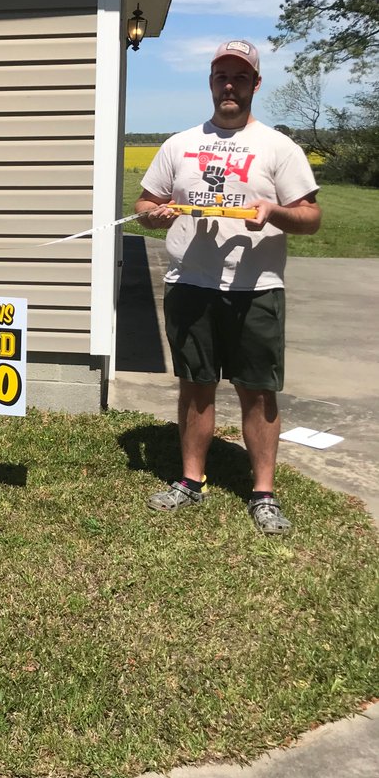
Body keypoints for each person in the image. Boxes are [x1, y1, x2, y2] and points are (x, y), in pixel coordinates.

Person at [135, 40, 321, 535]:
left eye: (240, 77)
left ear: (256, 84)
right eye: (221, 76)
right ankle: (190, 481)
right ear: (211, 83)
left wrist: (275, 212)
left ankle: (263, 493)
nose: (230, 85)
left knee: (257, 389)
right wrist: (155, 214)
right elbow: (145, 205)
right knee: (196, 384)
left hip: (256, 286)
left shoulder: (279, 147)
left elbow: (311, 217)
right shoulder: (179, 144)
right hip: (190, 283)